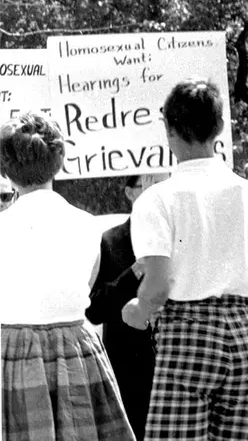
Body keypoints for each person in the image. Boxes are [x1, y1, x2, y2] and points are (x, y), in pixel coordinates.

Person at [125, 78, 248, 441]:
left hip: (185, 331)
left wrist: (137, 311)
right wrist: (230, 306)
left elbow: (157, 287)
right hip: (244, 334)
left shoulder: (156, 199)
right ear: (220, 128)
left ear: (170, 130)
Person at [0, 112, 134, 441]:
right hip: (76, 346)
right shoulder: (88, 223)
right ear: (59, 159)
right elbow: (85, 288)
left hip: (13, 348)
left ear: (6, 168)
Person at [86, 173, 168, 440]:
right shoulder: (109, 241)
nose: (156, 192)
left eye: (162, 184)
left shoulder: (180, 236)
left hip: (173, 362)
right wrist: (133, 272)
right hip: (127, 367)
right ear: (129, 192)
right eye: (147, 184)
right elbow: (94, 310)